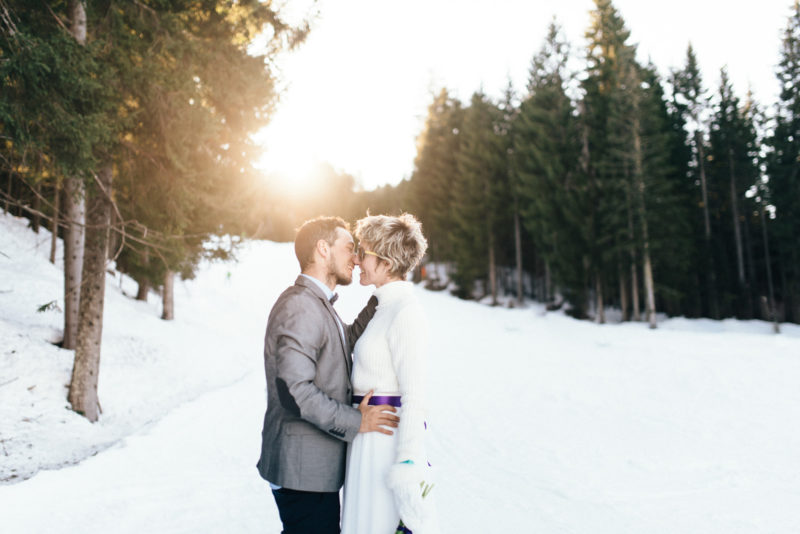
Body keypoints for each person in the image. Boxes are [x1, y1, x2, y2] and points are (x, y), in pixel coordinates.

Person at [257, 216, 401, 534]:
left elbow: (342, 343)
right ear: (323, 249)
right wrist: (357, 421)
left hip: (309, 471)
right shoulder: (300, 306)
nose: (356, 258)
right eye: (349, 248)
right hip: (301, 471)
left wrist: (384, 292)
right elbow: (294, 391)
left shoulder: (319, 305)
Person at [341, 213, 440, 534]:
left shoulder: (406, 312)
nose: (357, 260)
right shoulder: (380, 309)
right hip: (366, 441)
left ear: (386, 261)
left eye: (364, 252)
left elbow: (416, 396)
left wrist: (408, 465)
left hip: (386, 447)